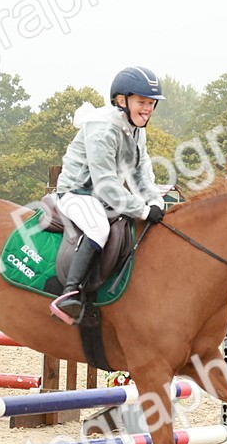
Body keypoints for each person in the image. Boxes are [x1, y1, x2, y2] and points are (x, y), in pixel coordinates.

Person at [50, 66, 166, 323]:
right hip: (77, 193)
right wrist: (143, 210)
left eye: (151, 103)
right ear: (122, 100)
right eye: (141, 102)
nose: (147, 108)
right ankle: (70, 294)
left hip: (104, 198)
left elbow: (141, 174)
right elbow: (105, 183)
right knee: (98, 229)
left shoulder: (137, 129)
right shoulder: (103, 128)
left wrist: (155, 201)